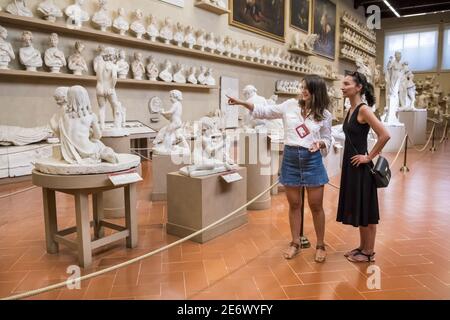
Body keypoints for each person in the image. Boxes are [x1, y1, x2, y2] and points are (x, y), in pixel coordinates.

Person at [227, 75, 332, 262]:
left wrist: (320, 144)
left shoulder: (324, 114)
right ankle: (295, 243)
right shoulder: (290, 105)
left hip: (312, 160)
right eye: (302, 87)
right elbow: (264, 111)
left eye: (307, 88)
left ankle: (321, 244)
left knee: (316, 206)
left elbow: (328, 138)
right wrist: (243, 103)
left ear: (317, 90)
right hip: (291, 158)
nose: (303, 90)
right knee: (294, 205)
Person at [337, 71, 391, 263]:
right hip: (352, 166)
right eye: (342, 84)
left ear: (358, 87)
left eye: (346, 84)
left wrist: (368, 157)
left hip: (361, 168)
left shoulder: (363, 110)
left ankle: (369, 252)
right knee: (361, 207)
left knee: (367, 210)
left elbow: (384, 134)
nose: (342, 87)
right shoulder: (351, 109)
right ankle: (362, 247)